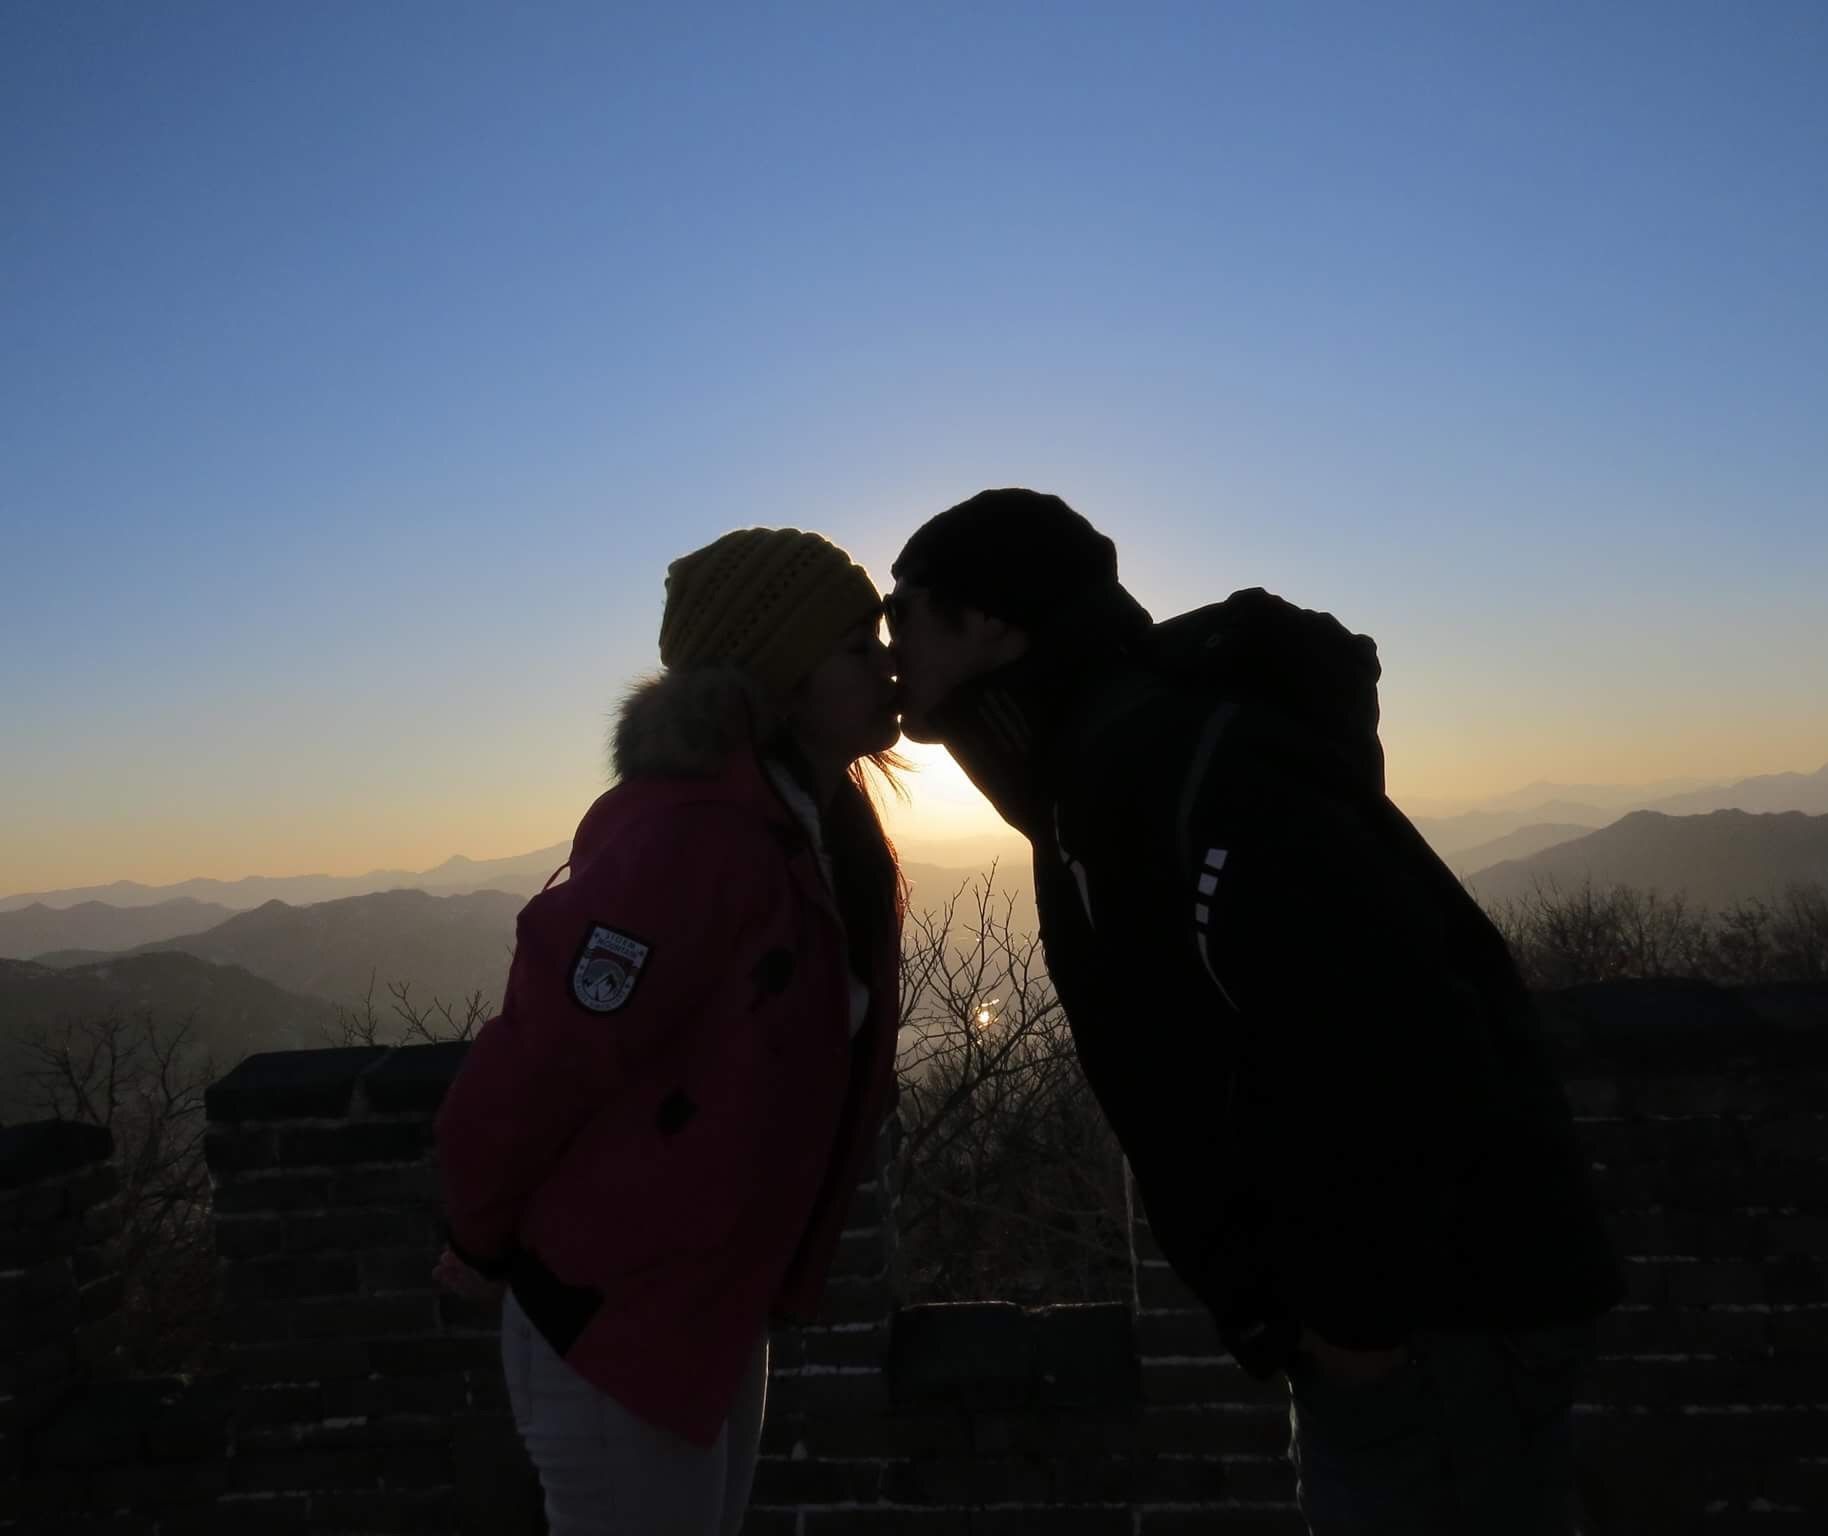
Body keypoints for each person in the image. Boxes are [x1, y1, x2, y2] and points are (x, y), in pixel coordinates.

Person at [885, 488, 1621, 1536]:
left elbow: (1391, 1031)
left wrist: (1351, 1328)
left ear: (992, 622)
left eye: (901, 613)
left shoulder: (1165, 765)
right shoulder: (1093, 771)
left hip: (1437, 1323)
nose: (889, 648)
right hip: (1413, 1319)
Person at [432, 527, 905, 1536]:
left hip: (705, 1307)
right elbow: (542, 1055)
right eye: (855, 646)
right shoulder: (691, 837)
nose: (887, 665)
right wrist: (474, 1235)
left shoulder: (814, 829)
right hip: (613, 1316)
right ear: (781, 675)